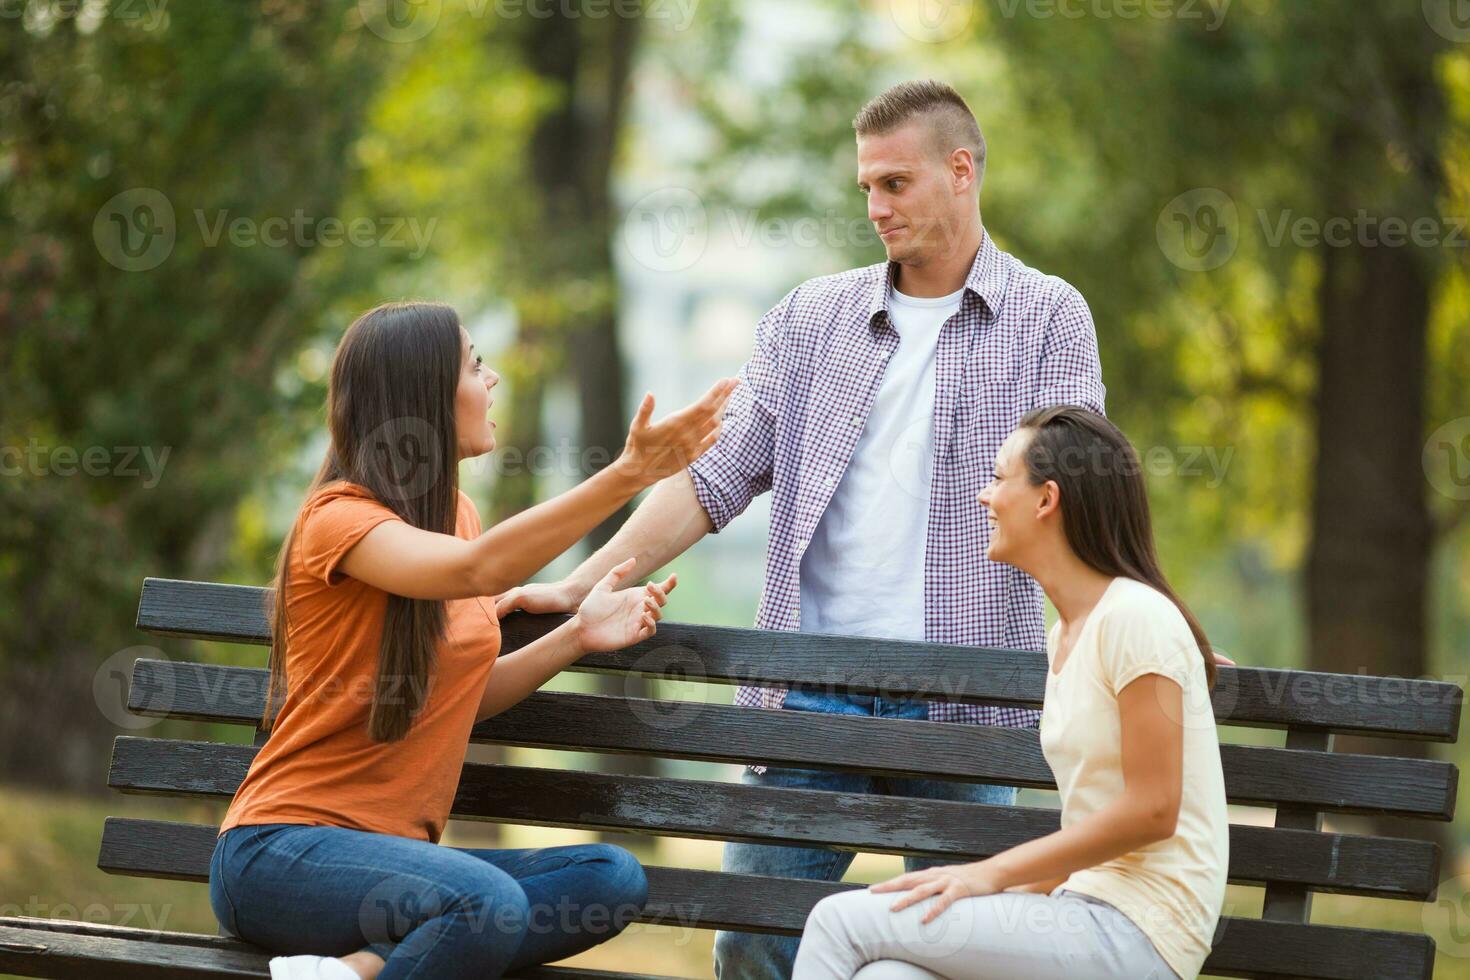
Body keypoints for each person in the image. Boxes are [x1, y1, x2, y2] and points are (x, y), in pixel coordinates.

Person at [497, 79, 1107, 979]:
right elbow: (710, 481)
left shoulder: (1050, 316)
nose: (875, 207)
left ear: (962, 170)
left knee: (965, 962)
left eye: (895, 183)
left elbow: (1086, 500)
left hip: (971, 698)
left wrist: (1148, 615)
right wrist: (592, 584)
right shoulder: (811, 319)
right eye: (866, 186)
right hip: (811, 691)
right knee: (752, 948)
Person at [207, 301, 737, 980]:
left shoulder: (456, 518)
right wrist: (630, 474)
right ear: (422, 391)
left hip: (397, 868)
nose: (491, 382)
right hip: (281, 856)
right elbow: (478, 568)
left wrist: (576, 634)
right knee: (486, 903)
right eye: (474, 365)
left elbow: (458, 695)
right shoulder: (338, 521)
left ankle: (356, 972)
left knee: (608, 876)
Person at [790, 405, 1230, 980]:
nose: (984, 496)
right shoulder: (1068, 634)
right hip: (1078, 912)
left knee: (838, 921)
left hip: (1139, 932)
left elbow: (1153, 810)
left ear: (1046, 500)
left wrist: (986, 876)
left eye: (999, 478)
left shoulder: (1137, 618)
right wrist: (994, 891)